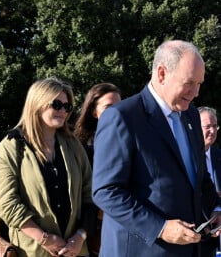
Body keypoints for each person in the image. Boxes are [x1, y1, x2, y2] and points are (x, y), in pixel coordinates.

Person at [92, 40, 221, 257]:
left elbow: (199, 176)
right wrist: (160, 227)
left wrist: (215, 208)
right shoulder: (122, 117)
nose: (196, 92)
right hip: (142, 250)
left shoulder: (190, 115)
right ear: (161, 73)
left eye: (200, 83)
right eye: (189, 82)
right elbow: (106, 191)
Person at [0, 77, 94, 257]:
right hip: (30, 251)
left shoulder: (74, 146)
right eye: (56, 104)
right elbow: (8, 204)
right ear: (37, 104)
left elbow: (90, 195)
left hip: (75, 251)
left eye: (67, 107)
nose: (63, 111)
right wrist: (45, 239)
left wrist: (79, 237)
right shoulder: (9, 149)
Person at [74, 83, 121, 256]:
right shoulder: (79, 148)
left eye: (119, 106)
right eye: (108, 107)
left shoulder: (133, 142)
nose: (116, 112)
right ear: (94, 111)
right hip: (91, 232)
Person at [198, 106, 221, 256]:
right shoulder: (185, 157)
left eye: (215, 126)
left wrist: (218, 209)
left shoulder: (219, 155)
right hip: (195, 231)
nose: (212, 131)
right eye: (207, 127)